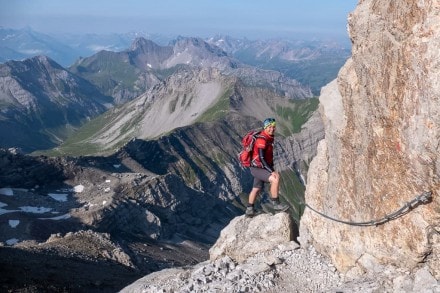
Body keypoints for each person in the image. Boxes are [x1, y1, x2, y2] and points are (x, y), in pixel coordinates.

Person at [245, 118, 289, 217]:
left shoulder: (268, 137)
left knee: (256, 188)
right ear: (265, 127)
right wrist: (271, 171)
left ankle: (249, 210)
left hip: (258, 167)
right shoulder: (262, 139)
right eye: (269, 127)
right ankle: (276, 204)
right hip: (258, 168)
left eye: (273, 127)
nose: (272, 129)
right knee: (275, 179)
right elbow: (261, 157)